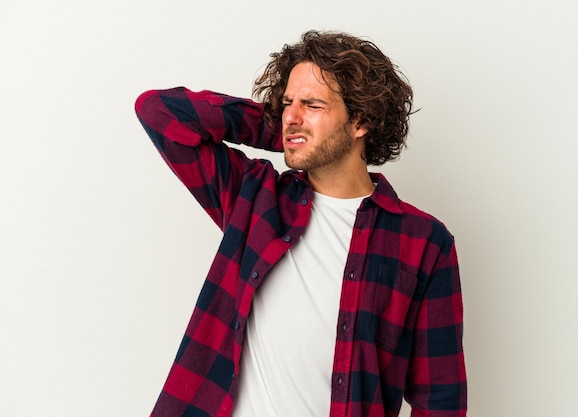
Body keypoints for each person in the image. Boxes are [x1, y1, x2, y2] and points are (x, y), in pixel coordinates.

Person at [135, 30, 466, 417]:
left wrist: (305, 133)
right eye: (287, 102)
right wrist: (290, 130)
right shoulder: (254, 198)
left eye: (311, 104)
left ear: (360, 121)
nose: (291, 115)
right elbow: (158, 111)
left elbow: (440, 400)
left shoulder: (424, 243)